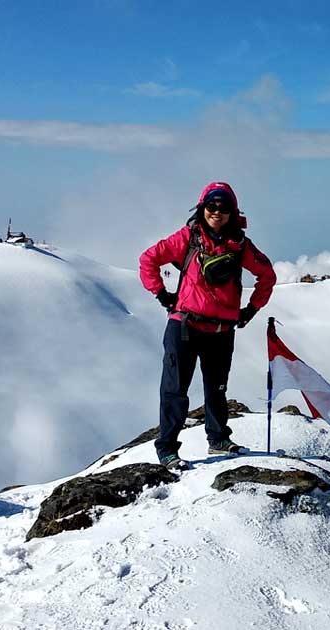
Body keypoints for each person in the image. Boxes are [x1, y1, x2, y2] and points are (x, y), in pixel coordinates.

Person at [138, 182, 276, 470]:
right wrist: (162, 294)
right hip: (184, 326)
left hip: (221, 331)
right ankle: (167, 448)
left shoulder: (240, 245)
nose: (217, 212)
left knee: (217, 388)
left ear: (232, 212)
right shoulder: (188, 238)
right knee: (175, 389)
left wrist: (250, 310)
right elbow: (148, 259)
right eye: (212, 206)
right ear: (202, 208)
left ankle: (218, 439)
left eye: (224, 207)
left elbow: (267, 275)